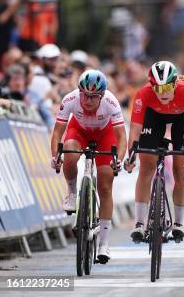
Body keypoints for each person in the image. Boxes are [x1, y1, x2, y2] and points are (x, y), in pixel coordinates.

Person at [49, 70, 127, 263]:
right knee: (68, 150)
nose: (88, 100)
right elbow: (57, 132)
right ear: (79, 92)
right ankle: (72, 192)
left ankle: (104, 244)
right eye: (85, 95)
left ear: (101, 95)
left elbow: (121, 137)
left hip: (104, 135)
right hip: (79, 131)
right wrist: (55, 156)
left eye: (93, 97)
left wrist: (119, 160)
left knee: (105, 186)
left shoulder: (111, 102)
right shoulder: (70, 99)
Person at [125, 61, 184, 243]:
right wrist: (131, 156)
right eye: (157, 88)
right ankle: (140, 223)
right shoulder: (143, 94)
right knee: (146, 167)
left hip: (180, 118)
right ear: (151, 86)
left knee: (180, 170)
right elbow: (135, 129)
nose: (163, 93)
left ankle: (179, 223)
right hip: (153, 117)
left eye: (167, 87)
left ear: (174, 84)